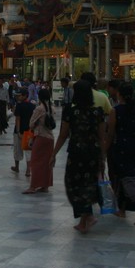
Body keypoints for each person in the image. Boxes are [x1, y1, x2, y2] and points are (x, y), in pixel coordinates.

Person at [51, 80, 107, 234]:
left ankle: (87, 216)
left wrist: (54, 153)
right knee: (88, 184)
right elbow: (102, 137)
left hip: (76, 152)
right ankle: (85, 220)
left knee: (73, 184)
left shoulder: (70, 110)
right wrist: (103, 157)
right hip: (93, 153)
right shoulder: (98, 112)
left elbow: (63, 135)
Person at [106, 82, 135, 226]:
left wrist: (104, 150)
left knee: (125, 178)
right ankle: (123, 209)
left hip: (120, 148)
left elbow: (111, 133)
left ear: (119, 94)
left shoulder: (116, 110)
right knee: (129, 176)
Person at [24, 88, 54, 194]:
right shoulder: (51, 108)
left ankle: (33, 186)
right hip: (50, 138)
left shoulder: (39, 109)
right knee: (47, 162)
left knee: (35, 161)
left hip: (41, 136)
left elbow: (31, 123)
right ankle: (45, 185)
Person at [11, 88, 35, 175]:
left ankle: (17, 167)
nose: (18, 97)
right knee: (28, 150)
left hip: (19, 131)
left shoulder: (19, 106)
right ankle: (28, 170)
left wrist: (18, 131)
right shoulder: (32, 106)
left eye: (20, 95)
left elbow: (18, 119)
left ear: (25, 96)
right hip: (29, 131)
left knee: (17, 150)